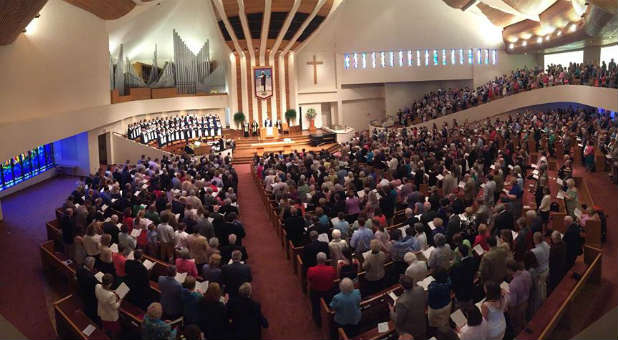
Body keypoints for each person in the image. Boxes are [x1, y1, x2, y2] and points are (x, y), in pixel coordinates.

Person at [390, 273, 427, 340]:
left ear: (401, 286)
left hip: (410, 332)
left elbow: (398, 320)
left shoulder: (401, 302)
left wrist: (391, 311)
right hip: (422, 323)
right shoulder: (420, 289)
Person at [307, 252, 337, 326]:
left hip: (316, 292)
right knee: (328, 305)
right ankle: (329, 321)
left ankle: (317, 321)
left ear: (317, 260)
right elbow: (334, 278)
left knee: (316, 306)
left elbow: (309, 280)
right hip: (328, 292)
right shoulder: (331, 269)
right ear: (325, 260)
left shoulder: (311, 270)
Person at [506, 259, 531, 335]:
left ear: (510, 270)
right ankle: (526, 330)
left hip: (518, 307)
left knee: (517, 325)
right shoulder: (526, 273)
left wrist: (511, 312)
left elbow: (513, 303)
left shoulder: (513, 284)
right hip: (526, 301)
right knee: (524, 319)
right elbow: (530, 285)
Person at [95, 273, 122, 338]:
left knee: (105, 327)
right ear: (110, 284)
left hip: (102, 312)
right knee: (114, 330)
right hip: (110, 316)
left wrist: (112, 291)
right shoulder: (110, 295)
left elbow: (103, 291)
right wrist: (120, 300)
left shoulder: (97, 286)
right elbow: (115, 307)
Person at [76, 256, 98, 321]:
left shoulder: (79, 269)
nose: (93, 266)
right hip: (90, 294)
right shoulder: (90, 277)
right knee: (91, 308)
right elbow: (94, 286)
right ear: (91, 265)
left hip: (82, 290)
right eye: (93, 264)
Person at [530, 231, 549, 306]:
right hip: (547, 267)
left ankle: (543, 304)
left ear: (536, 240)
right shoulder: (546, 244)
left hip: (540, 271)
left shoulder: (534, 251)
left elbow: (532, 263)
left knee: (541, 290)